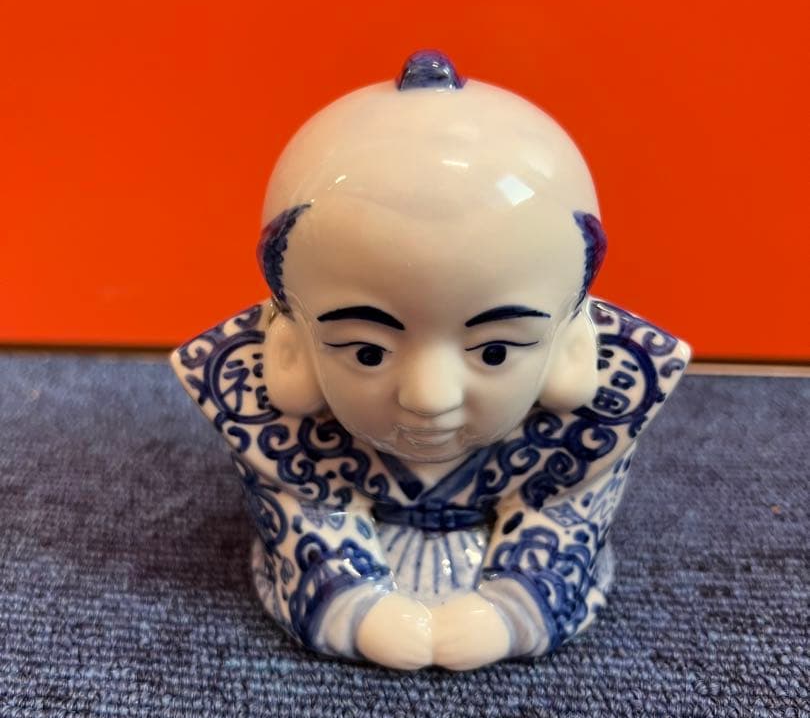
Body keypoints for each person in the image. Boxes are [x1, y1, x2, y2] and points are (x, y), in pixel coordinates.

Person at [171, 52, 690, 670]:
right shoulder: (264, 406)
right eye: (367, 351)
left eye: (494, 351)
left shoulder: (598, 411)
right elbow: (304, 512)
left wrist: (512, 611)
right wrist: (356, 610)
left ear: (572, 345)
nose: (428, 396)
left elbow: (564, 514)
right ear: (291, 347)